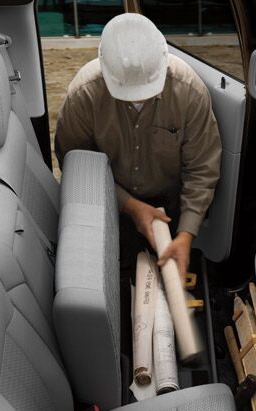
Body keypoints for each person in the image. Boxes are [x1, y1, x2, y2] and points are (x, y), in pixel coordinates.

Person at [55, 13, 221, 282]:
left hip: (171, 206)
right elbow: (79, 172)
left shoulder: (190, 91)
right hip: (107, 204)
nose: (138, 99)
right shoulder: (83, 95)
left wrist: (186, 234)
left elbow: (202, 169)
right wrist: (130, 206)